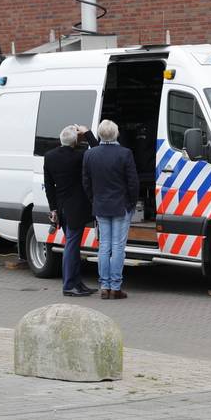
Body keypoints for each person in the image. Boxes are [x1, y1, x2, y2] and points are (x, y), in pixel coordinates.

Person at [82, 119, 139, 300]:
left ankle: (104, 286)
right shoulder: (125, 153)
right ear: (116, 134)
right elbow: (133, 182)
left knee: (104, 247)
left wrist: (94, 199)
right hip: (121, 206)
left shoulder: (90, 155)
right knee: (118, 247)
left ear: (99, 134)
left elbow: (86, 182)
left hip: (101, 205)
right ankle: (116, 286)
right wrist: (131, 204)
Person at [43, 125, 98, 298]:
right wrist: (87, 134)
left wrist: (53, 208)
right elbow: (97, 152)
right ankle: (68, 285)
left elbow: (49, 186)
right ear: (75, 141)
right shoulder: (79, 156)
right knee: (72, 246)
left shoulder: (49, 157)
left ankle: (77, 283)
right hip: (77, 208)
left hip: (61, 206)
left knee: (72, 245)